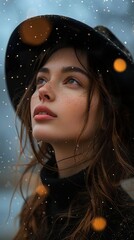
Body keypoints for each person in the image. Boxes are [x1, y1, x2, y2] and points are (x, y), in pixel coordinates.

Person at [5, 15, 134, 240]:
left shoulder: (126, 222)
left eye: (72, 80)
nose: (43, 91)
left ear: (108, 113)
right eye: (41, 80)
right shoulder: (36, 214)